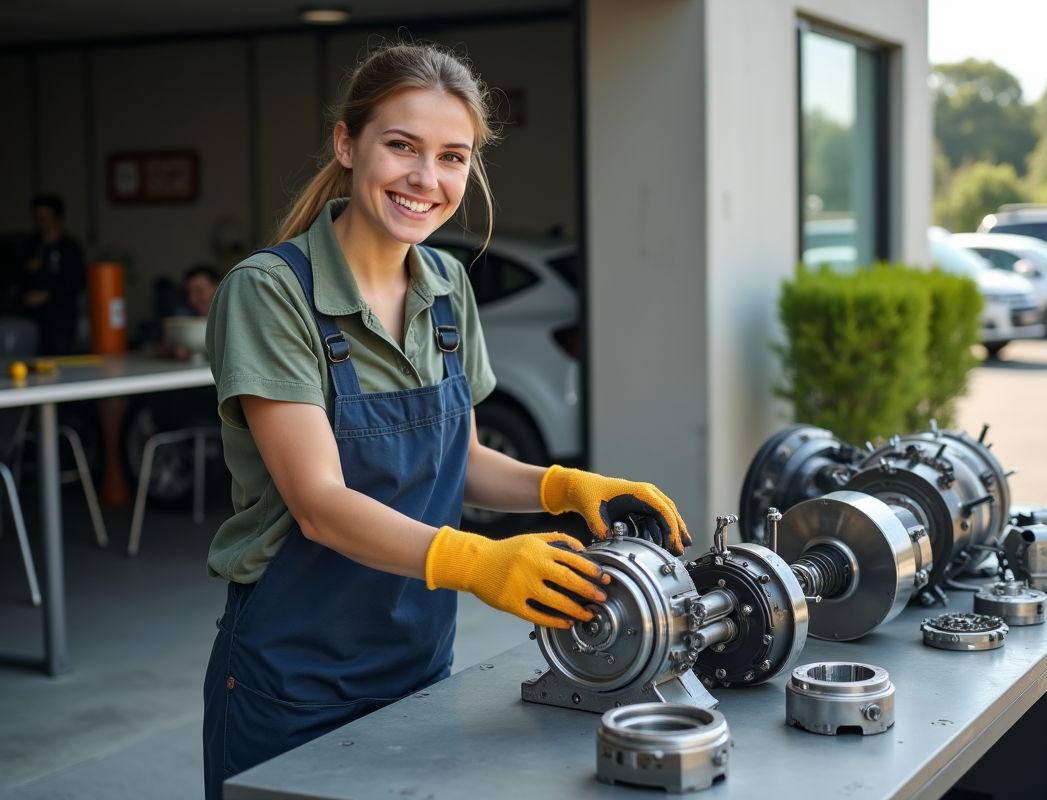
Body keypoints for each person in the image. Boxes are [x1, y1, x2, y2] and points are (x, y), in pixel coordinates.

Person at [201, 43, 690, 798]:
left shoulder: (447, 282)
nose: (426, 179)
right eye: (401, 146)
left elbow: (461, 460)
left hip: (419, 666)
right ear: (346, 143)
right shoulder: (270, 293)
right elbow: (319, 503)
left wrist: (564, 484)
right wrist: (479, 562)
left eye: (452, 157)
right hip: (293, 678)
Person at [18, 195, 87, 355]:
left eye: (45, 215)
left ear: (56, 217)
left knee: (60, 360)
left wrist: (47, 295)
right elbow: (16, 279)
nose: (41, 219)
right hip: (32, 318)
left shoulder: (69, 246)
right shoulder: (29, 245)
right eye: (37, 215)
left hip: (61, 318)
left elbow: (78, 281)